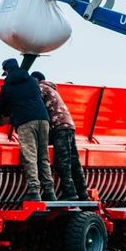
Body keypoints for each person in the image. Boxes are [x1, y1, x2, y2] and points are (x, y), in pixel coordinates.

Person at [0, 58, 56, 202]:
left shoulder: (8, 87)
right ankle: (49, 190)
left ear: (7, 71)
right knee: (43, 155)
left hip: (26, 121)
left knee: (30, 155)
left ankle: (34, 190)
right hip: (43, 119)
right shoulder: (33, 81)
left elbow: (2, 105)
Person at [31, 71, 89, 201]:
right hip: (68, 126)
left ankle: (70, 193)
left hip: (59, 127)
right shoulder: (51, 89)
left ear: (36, 79)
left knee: (62, 161)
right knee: (74, 161)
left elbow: (33, 103)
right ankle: (83, 193)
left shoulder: (41, 88)